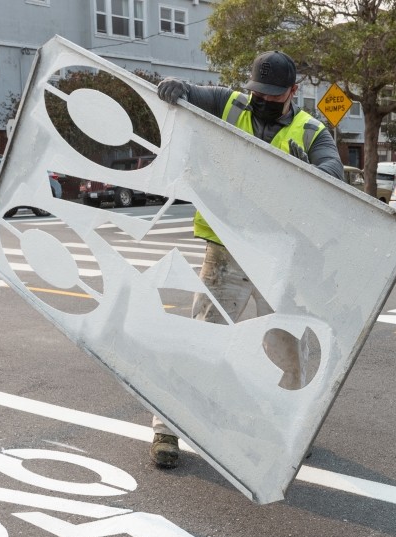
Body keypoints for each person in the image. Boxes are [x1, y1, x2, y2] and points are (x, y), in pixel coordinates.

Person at [148, 51, 345, 468]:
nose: (262, 100)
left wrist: (308, 173)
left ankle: (294, 427)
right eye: (259, 91)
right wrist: (175, 86)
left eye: (274, 95)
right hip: (227, 249)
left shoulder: (311, 131)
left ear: (293, 92)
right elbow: (189, 93)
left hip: (279, 257)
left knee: (292, 348)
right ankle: (166, 430)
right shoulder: (230, 103)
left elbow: (333, 172)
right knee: (203, 337)